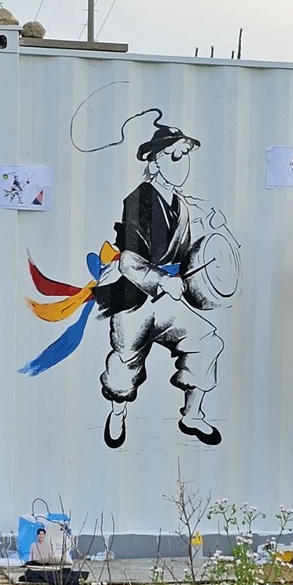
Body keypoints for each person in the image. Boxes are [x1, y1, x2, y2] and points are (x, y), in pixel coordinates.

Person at [93, 112, 226, 448]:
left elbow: (185, 249)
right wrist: (161, 280)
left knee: (206, 341)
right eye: (176, 156)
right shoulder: (138, 200)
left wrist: (208, 230)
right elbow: (129, 260)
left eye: (186, 156)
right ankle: (118, 411)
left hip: (168, 300)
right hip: (133, 298)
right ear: (154, 163)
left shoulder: (181, 205)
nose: (183, 164)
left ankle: (192, 414)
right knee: (125, 363)